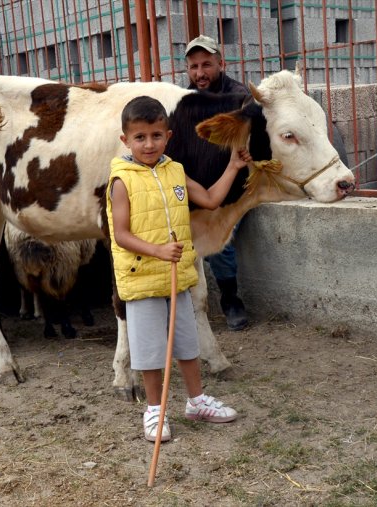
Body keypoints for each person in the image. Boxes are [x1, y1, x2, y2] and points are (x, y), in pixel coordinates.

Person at [106, 96, 252, 442]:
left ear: (168, 136)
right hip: (142, 279)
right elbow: (122, 235)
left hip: (178, 277)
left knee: (186, 345)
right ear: (125, 140)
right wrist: (157, 250)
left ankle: (197, 400)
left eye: (156, 135)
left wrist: (233, 166)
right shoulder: (121, 182)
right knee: (151, 352)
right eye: (139, 137)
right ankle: (155, 410)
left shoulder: (176, 171)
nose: (149, 144)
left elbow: (212, 200)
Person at [185, 34, 250, 330]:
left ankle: (230, 299)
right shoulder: (183, 102)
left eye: (206, 65)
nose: (200, 73)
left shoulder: (239, 98)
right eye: (194, 66)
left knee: (217, 244)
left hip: (235, 188)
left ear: (220, 64)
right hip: (199, 190)